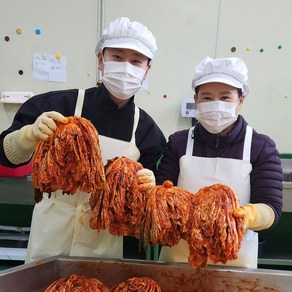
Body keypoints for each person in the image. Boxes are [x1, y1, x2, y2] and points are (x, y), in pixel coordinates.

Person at [0, 17, 166, 263]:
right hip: (51, 231)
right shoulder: (58, 104)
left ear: (146, 70)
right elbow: (6, 157)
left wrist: (151, 185)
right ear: (100, 59)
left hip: (103, 240)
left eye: (136, 61)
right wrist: (27, 136)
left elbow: (145, 203)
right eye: (117, 57)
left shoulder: (147, 131)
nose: (126, 68)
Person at [153, 56, 283, 268]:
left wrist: (248, 215)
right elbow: (162, 192)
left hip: (235, 262)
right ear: (196, 100)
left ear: (240, 100)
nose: (216, 104)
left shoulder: (260, 146)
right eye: (207, 97)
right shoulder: (179, 142)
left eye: (225, 97)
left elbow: (272, 208)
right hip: (179, 259)